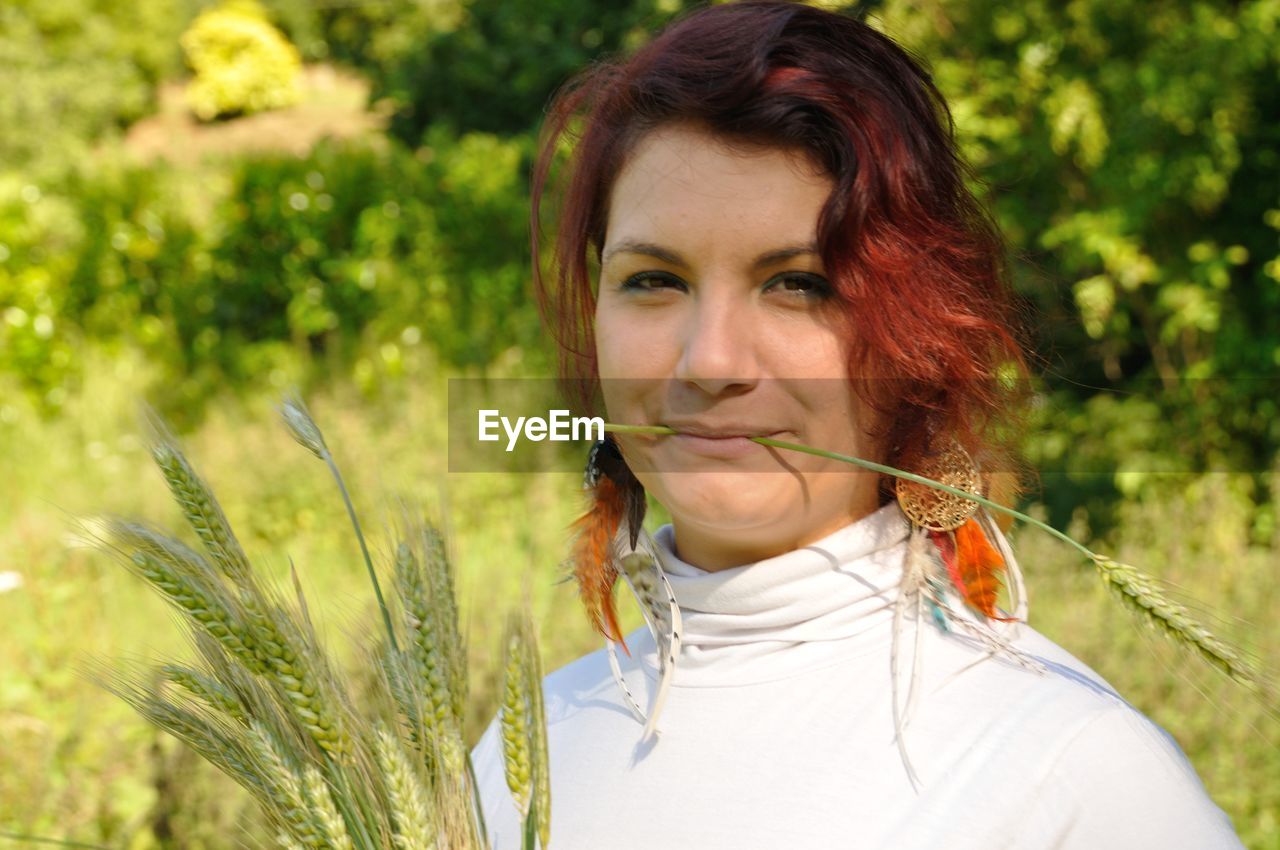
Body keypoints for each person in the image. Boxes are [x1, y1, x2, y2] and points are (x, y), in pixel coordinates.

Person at [469, 2, 1245, 847]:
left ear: (920, 339)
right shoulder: (525, 747)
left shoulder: (1071, 772)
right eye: (655, 280)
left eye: (800, 284)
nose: (709, 360)